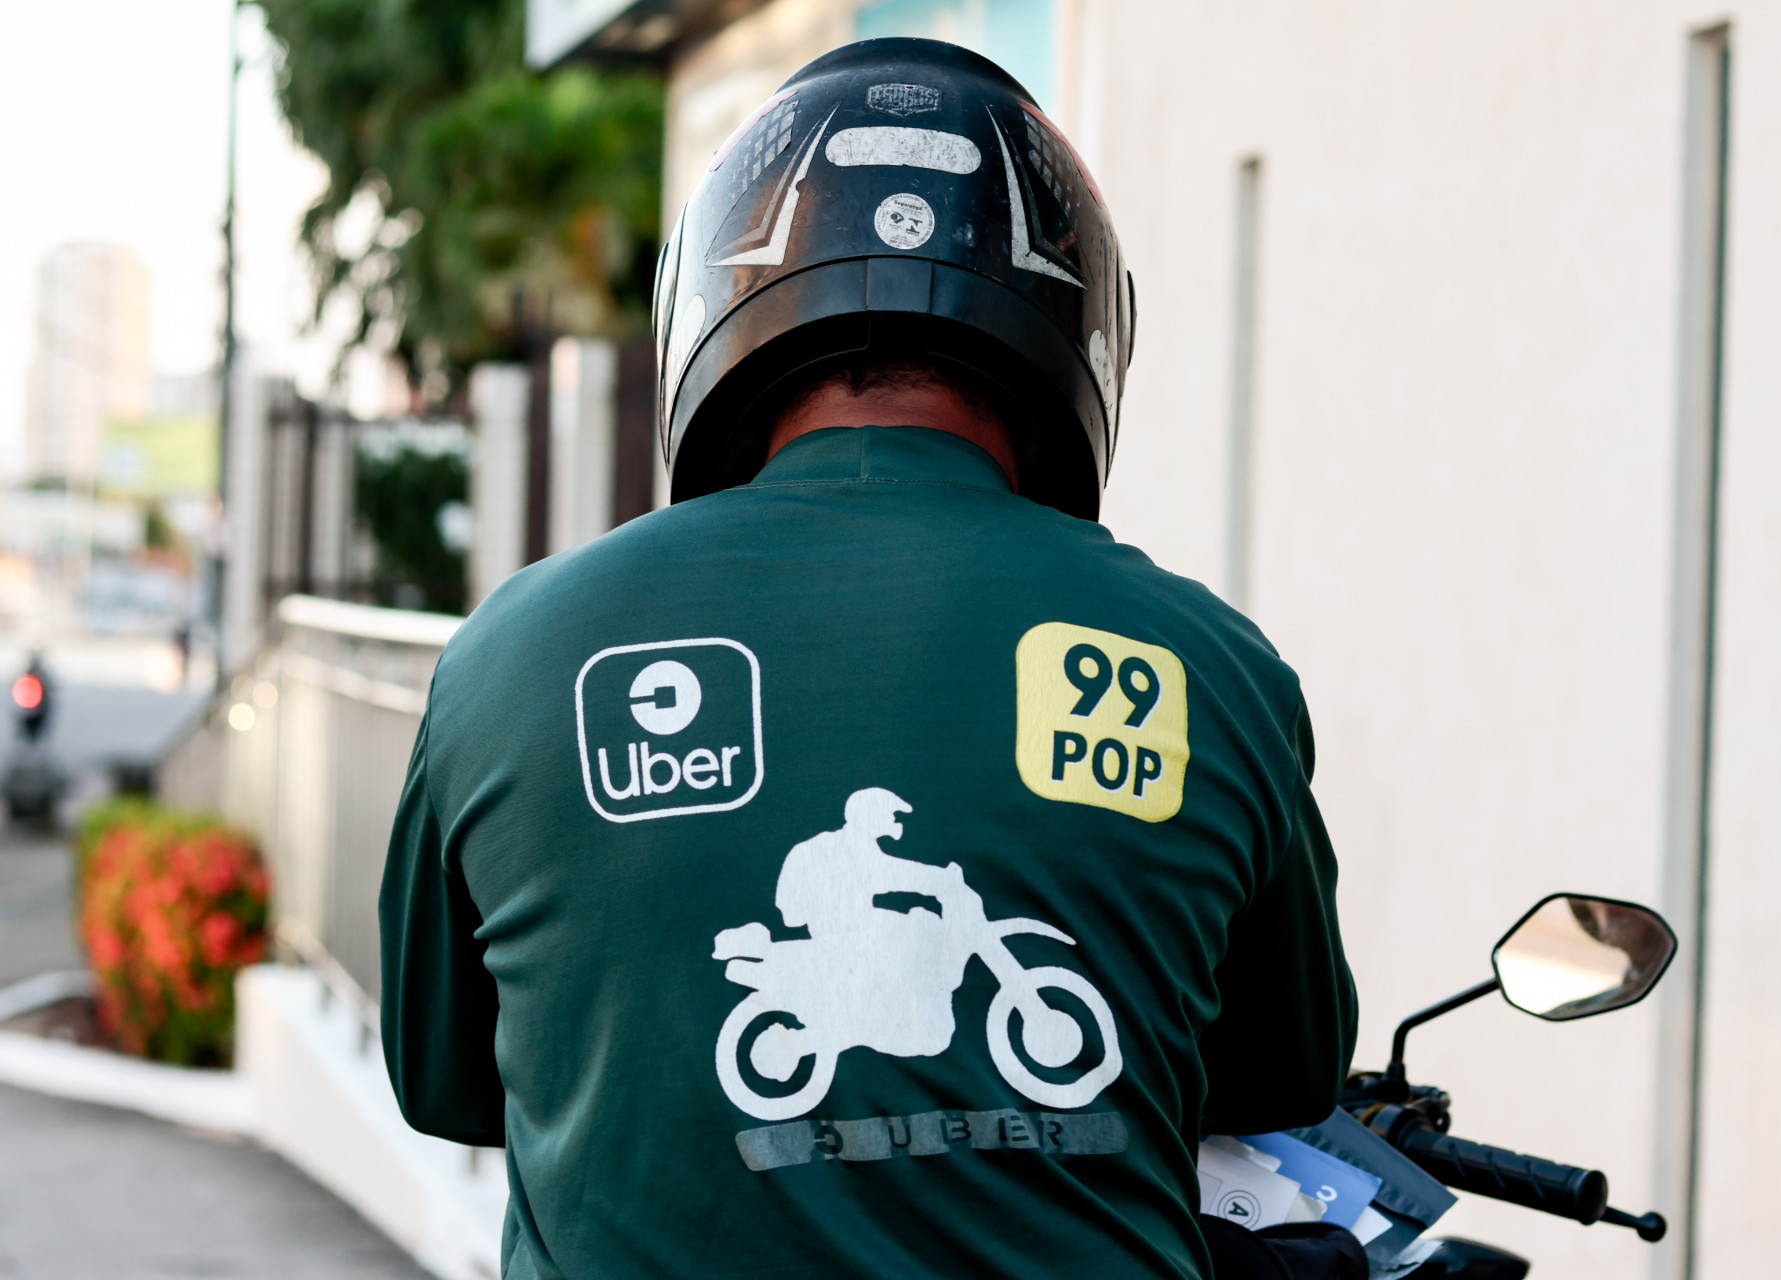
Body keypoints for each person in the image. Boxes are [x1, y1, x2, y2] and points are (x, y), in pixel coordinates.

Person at [381, 37, 1359, 1280]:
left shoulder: (505, 657)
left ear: (714, 292)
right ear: (1080, 314)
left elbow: (445, 1083)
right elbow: (1285, 1075)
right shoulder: (1215, 666)